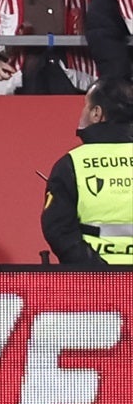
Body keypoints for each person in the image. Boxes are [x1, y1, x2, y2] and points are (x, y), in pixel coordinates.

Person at [41, 77, 133, 265]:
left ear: (96, 113)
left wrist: (94, 270)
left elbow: (58, 230)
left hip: (94, 285)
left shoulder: (71, 163)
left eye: (85, 105)